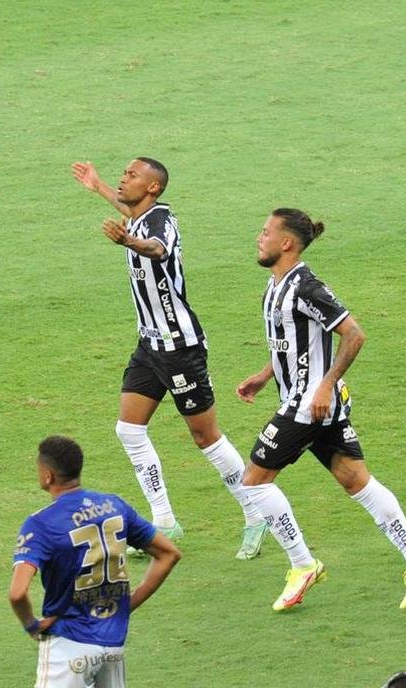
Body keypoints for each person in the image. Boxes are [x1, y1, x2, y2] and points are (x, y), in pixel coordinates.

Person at [235, 208, 406, 611]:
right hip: (306, 399)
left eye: (265, 233)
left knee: (254, 482)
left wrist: (326, 385)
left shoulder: (307, 287)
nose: (259, 238)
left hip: (308, 404)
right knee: (355, 480)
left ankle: (302, 565)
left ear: (286, 243)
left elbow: (354, 334)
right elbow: (295, 343)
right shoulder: (275, 284)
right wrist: (265, 375)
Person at [72, 159, 268, 559]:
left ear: (154, 188)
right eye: (124, 173)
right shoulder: (138, 214)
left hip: (180, 347)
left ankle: (255, 513)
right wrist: (99, 186)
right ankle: (163, 521)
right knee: (129, 430)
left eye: (132, 175)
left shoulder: (162, 223)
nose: (124, 177)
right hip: (150, 345)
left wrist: (128, 243)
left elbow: (157, 249)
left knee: (205, 437)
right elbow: (128, 211)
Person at [9, 435, 182, 688]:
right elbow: (169, 554)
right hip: (113, 644)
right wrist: (127, 604)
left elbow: (17, 593)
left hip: (69, 646)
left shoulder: (41, 524)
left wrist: (31, 625)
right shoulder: (114, 505)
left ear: (48, 475)